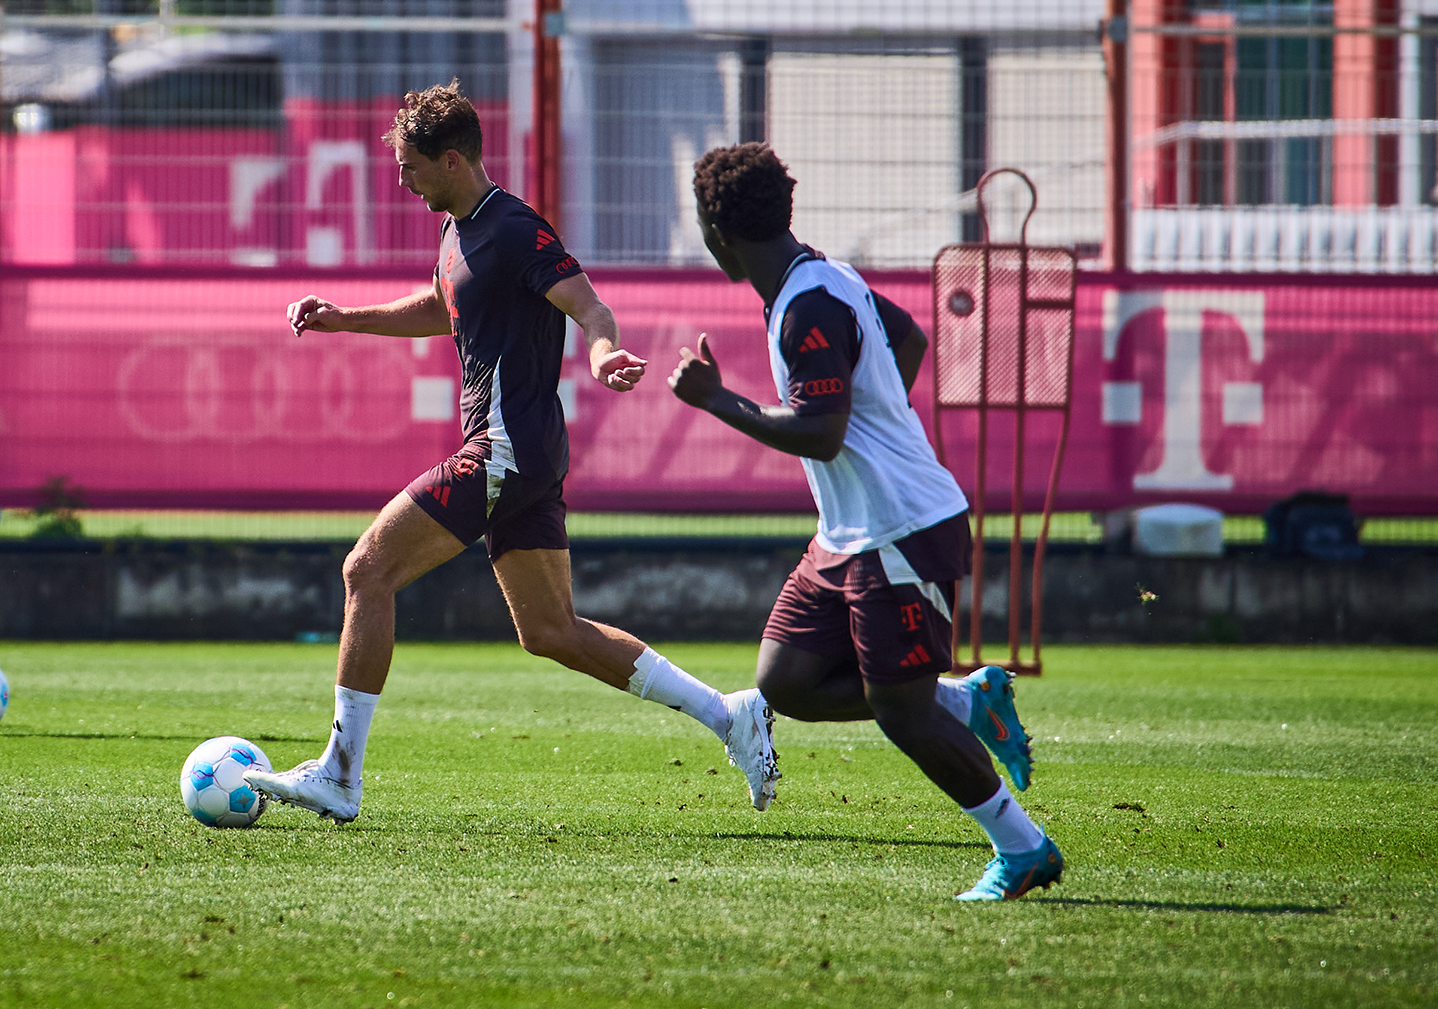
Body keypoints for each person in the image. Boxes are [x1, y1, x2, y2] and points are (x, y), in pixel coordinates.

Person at [245, 81, 779, 823]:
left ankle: (338, 773)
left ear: (454, 160)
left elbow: (589, 305)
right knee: (550, 631)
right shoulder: (459, 230)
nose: (400, 178)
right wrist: (344, 318)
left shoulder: (515, 228)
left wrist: (600, 354)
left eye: (410, 165)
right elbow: (443, 306)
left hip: (504, 450)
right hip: (526, 455)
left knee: (366, 569)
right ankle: (730, 715)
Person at [666, 142, 1058, 902]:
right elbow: (906, 340)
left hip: (901, 531)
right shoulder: (820, 275)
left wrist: (719, 400)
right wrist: (877, 431)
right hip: (849, 535)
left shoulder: (808, 302)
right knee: (787, 679)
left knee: (899, 712)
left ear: (719, 232)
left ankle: (1024, 847)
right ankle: (968, 699)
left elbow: (821, 432)